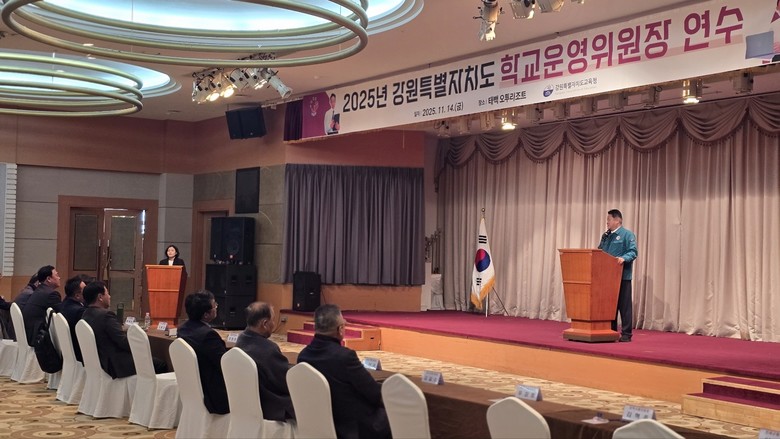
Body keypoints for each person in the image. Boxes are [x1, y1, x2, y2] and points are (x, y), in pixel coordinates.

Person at [297, 304, 390, 439]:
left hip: (320, 423)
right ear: (340, 329)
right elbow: (374, 393)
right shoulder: (345, 357)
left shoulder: (303, 356)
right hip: (352, 427)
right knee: (399, 415)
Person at [235, 302, 294, 422]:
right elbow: (285, 383)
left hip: (246, 403)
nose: (274, 324)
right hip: (269, 406)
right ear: (265, 324)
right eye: (273, 320)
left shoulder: (241, 340)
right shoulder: (268, 349)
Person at [177, 290, 229, 415]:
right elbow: (225, 364)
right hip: (213, 393)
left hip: (193, 386)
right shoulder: (208, 336)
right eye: (215, 305)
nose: (216, 307)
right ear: (206, 314)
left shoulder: (183, 329)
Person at [598, 209, 638, 343]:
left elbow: (633, 252)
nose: (607, 222)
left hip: (622, 276)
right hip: (607, 277)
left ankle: (626, 334)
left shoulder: (627, 235)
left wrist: (623, 258)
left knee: (624, 306)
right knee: (610, 306)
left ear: (617, 220)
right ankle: (611, 331)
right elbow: (599, 252)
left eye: (609, 219)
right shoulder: (606, 236)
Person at [22, 265, 62, 346]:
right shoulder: (51, 294)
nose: (59, 278)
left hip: (29, 334)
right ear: (49, 279)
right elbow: (61, 316)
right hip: (39, 339)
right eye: (57, 275)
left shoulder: (38, 291)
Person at [61, 275, 87, 363]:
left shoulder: (64, 304)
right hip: (79, 354)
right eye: (85, 290)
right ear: (77, 296)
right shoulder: (79, 311)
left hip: (68, 352)